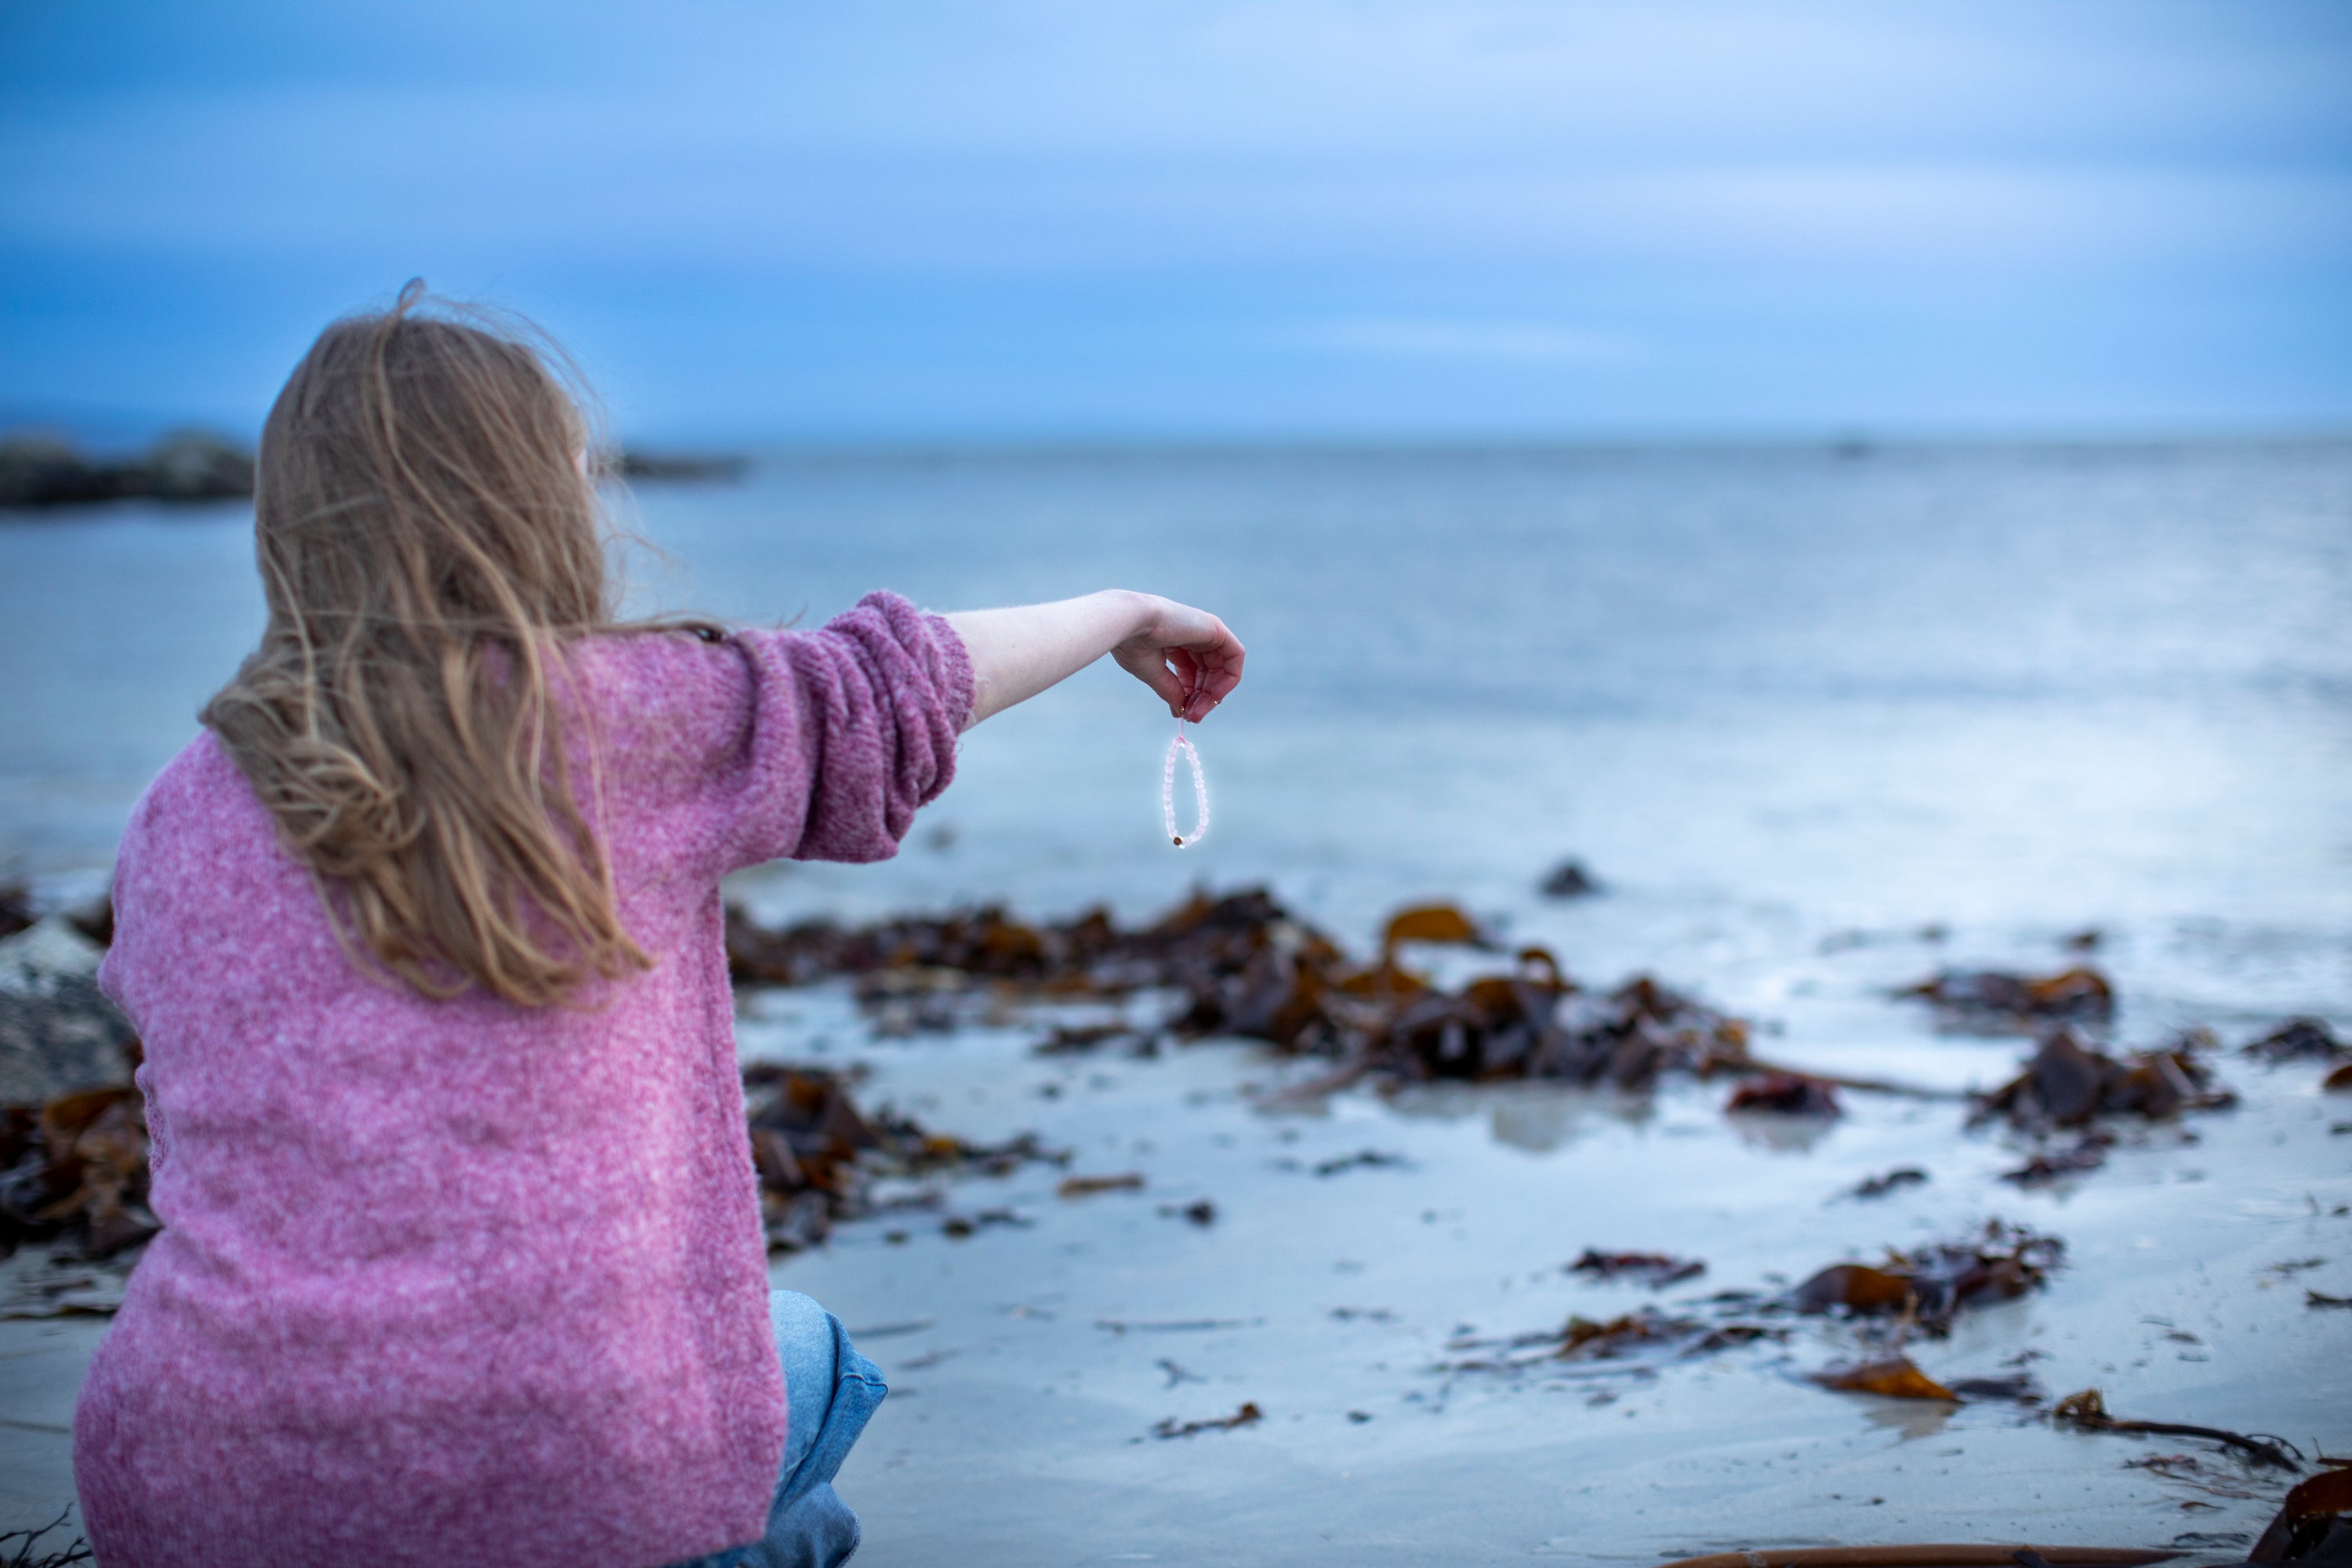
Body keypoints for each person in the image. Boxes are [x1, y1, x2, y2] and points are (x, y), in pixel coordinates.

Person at [71, 285, 1244, 1568]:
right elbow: (900, 684)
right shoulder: (619, 717)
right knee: (806, 1364)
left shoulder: (183, 806)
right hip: (559, 1469)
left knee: (766, 1459)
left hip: (196, 1484)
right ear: (537, 504)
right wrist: (1130, 611)